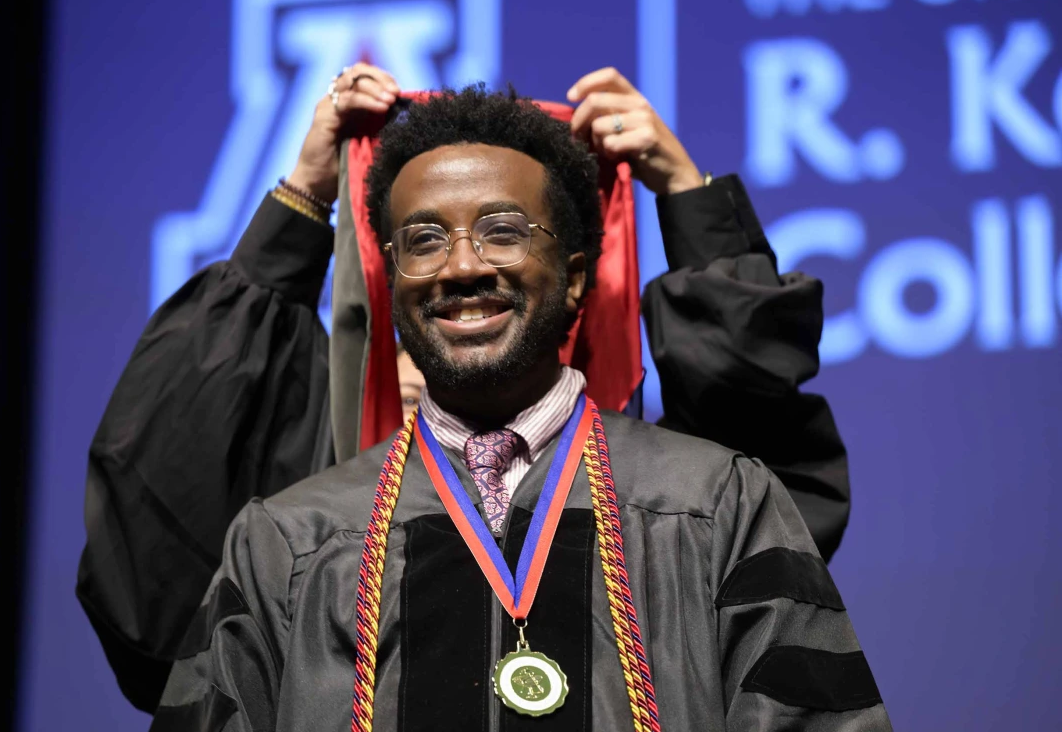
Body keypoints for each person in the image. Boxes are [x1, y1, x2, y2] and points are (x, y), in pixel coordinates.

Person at [79, 65, 850, 713]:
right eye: (422, 242)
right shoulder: (295, 539)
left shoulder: (707, 504)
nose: (461, 267)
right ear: (393, 292)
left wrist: (690, 196)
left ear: (576, 280)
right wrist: (305, 198)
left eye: (505, 231)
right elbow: (153, 566)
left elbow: (770, 451)